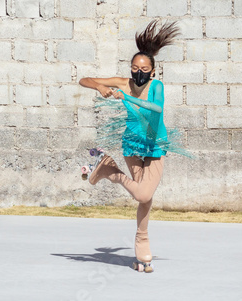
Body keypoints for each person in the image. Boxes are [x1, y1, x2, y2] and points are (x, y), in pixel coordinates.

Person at [79, 19, 194, 273]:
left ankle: (109, 170)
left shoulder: (156, 86)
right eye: (134, 67)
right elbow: (84, 80)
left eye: (143, 68)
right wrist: (100, 87)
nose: (138, 72)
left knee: (144, 195)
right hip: (132, 145)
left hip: (155, 147)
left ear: (152, 72)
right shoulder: (122, 83)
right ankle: (142, 242)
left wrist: (128, 98)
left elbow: (156, 110)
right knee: (144, 196)